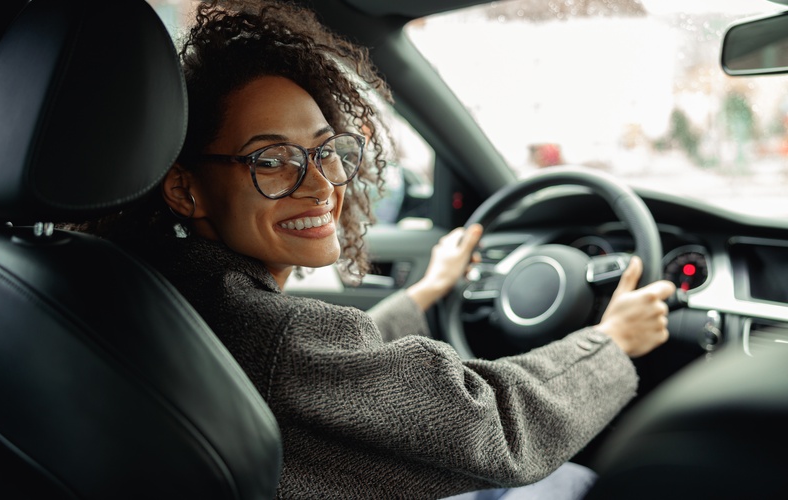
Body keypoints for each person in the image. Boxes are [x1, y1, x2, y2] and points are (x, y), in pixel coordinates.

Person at [77, 1, 676, 497]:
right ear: (185, 189)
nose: (320, 185)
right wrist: (610, 343)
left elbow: (333, 377)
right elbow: (494, 428)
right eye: (272, 160)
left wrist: (422, 295)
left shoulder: (136, 283)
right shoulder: (266, 335)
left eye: (326, 150)